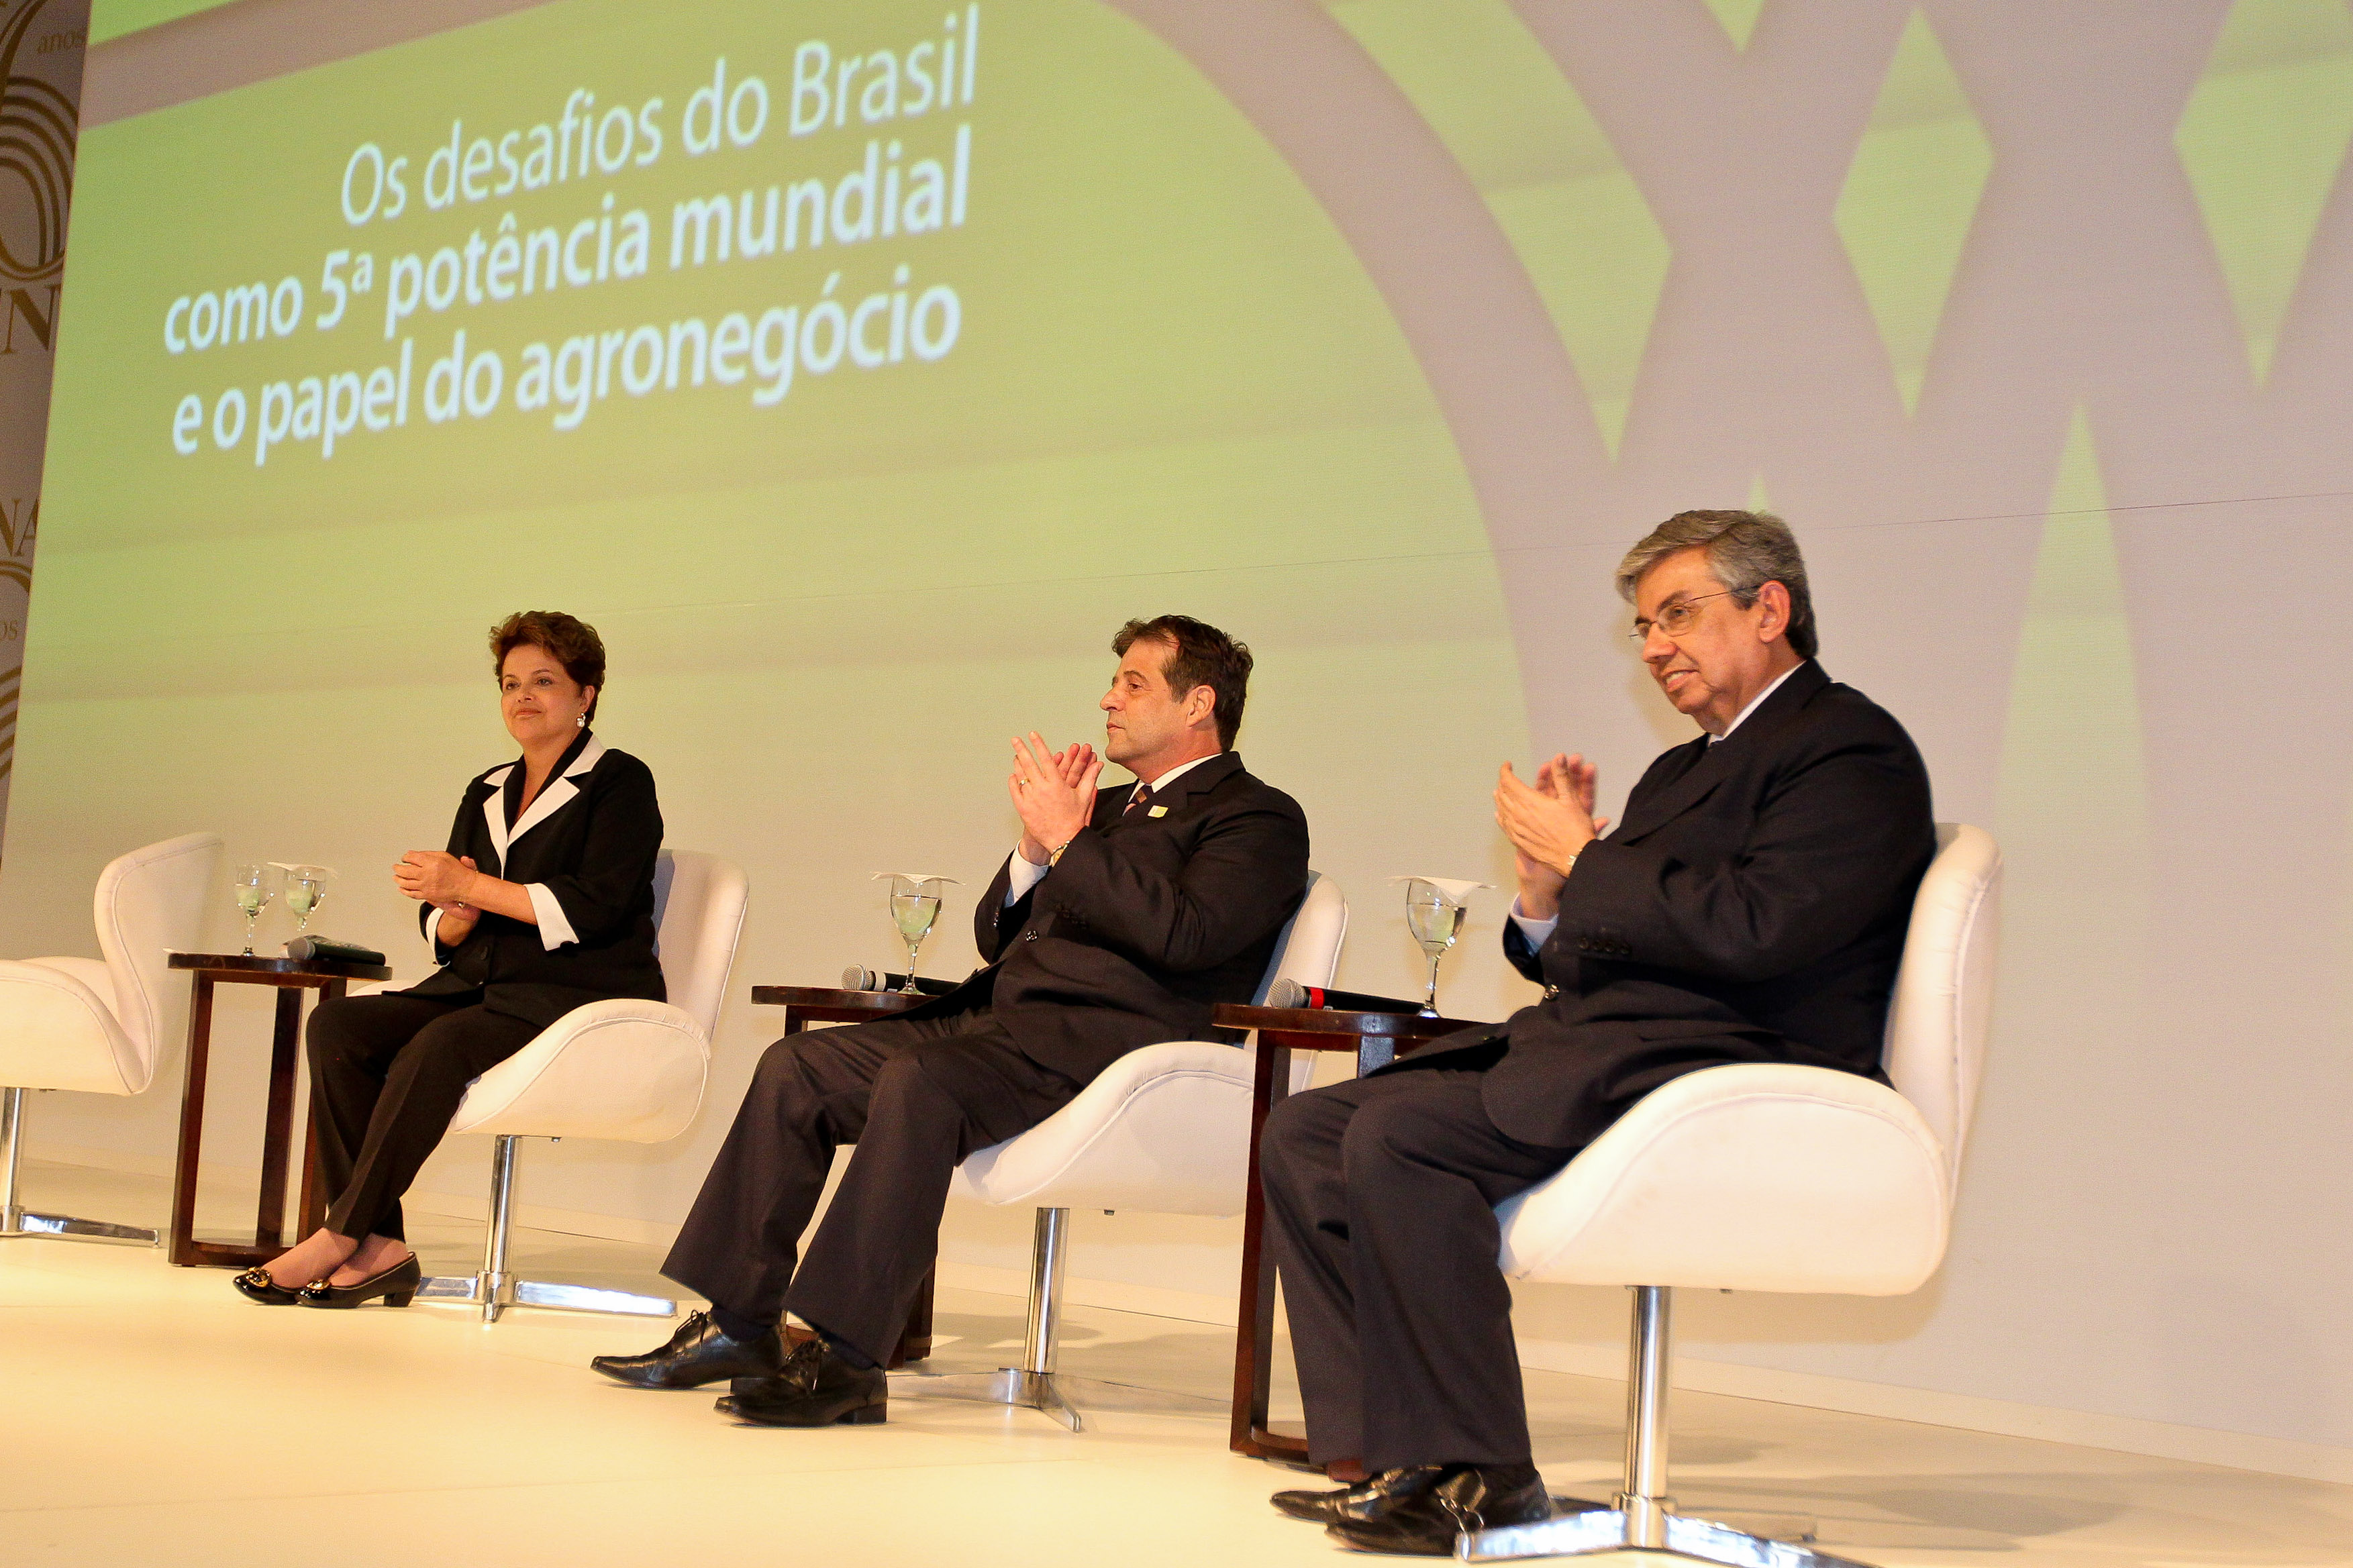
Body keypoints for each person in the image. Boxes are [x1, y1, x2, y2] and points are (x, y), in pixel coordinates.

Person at [1260, 511, 1936, 1554]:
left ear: (1769, 609)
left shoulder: (1848, 749)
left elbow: (1758, 932)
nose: (1654, 644)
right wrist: (1543, 894)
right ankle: (1390, 1455)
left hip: (1729, 1061)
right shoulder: (1678, 773)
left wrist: (1586, 856)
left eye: (1677, 614)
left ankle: (1485, 1471)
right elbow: (1595, 951)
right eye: (1642, 626)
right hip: (1615, 1044)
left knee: (1399, 1139)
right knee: (1304, 1135)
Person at [594, 615, 1311, 1427]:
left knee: (919, 1082)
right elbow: (995, 937)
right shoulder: (1101, 810)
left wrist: (1071, 841)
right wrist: (1037, 856)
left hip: (1107, 1052)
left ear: (1198, 705)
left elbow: (1187, 935)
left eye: (1133, 683)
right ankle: (739, 1324)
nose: (1107, 699)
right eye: (1112, 681)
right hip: (998, 1026)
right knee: (797, 1067)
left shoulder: (1257, 817)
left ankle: (846, 1358)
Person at [232, 612, 664, 1310]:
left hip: (573, 992)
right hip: (481, 984)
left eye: (544, 682)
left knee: (437, 1045)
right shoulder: (487, 786)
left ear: (587, 695)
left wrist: (469, 888)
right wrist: (454, 913)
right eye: (510, 684)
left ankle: (338, 1236)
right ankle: (381, 1247)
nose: (523, 697)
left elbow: (596, 908)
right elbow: (447, 913)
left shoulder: (620, 783)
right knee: (337, 1028)